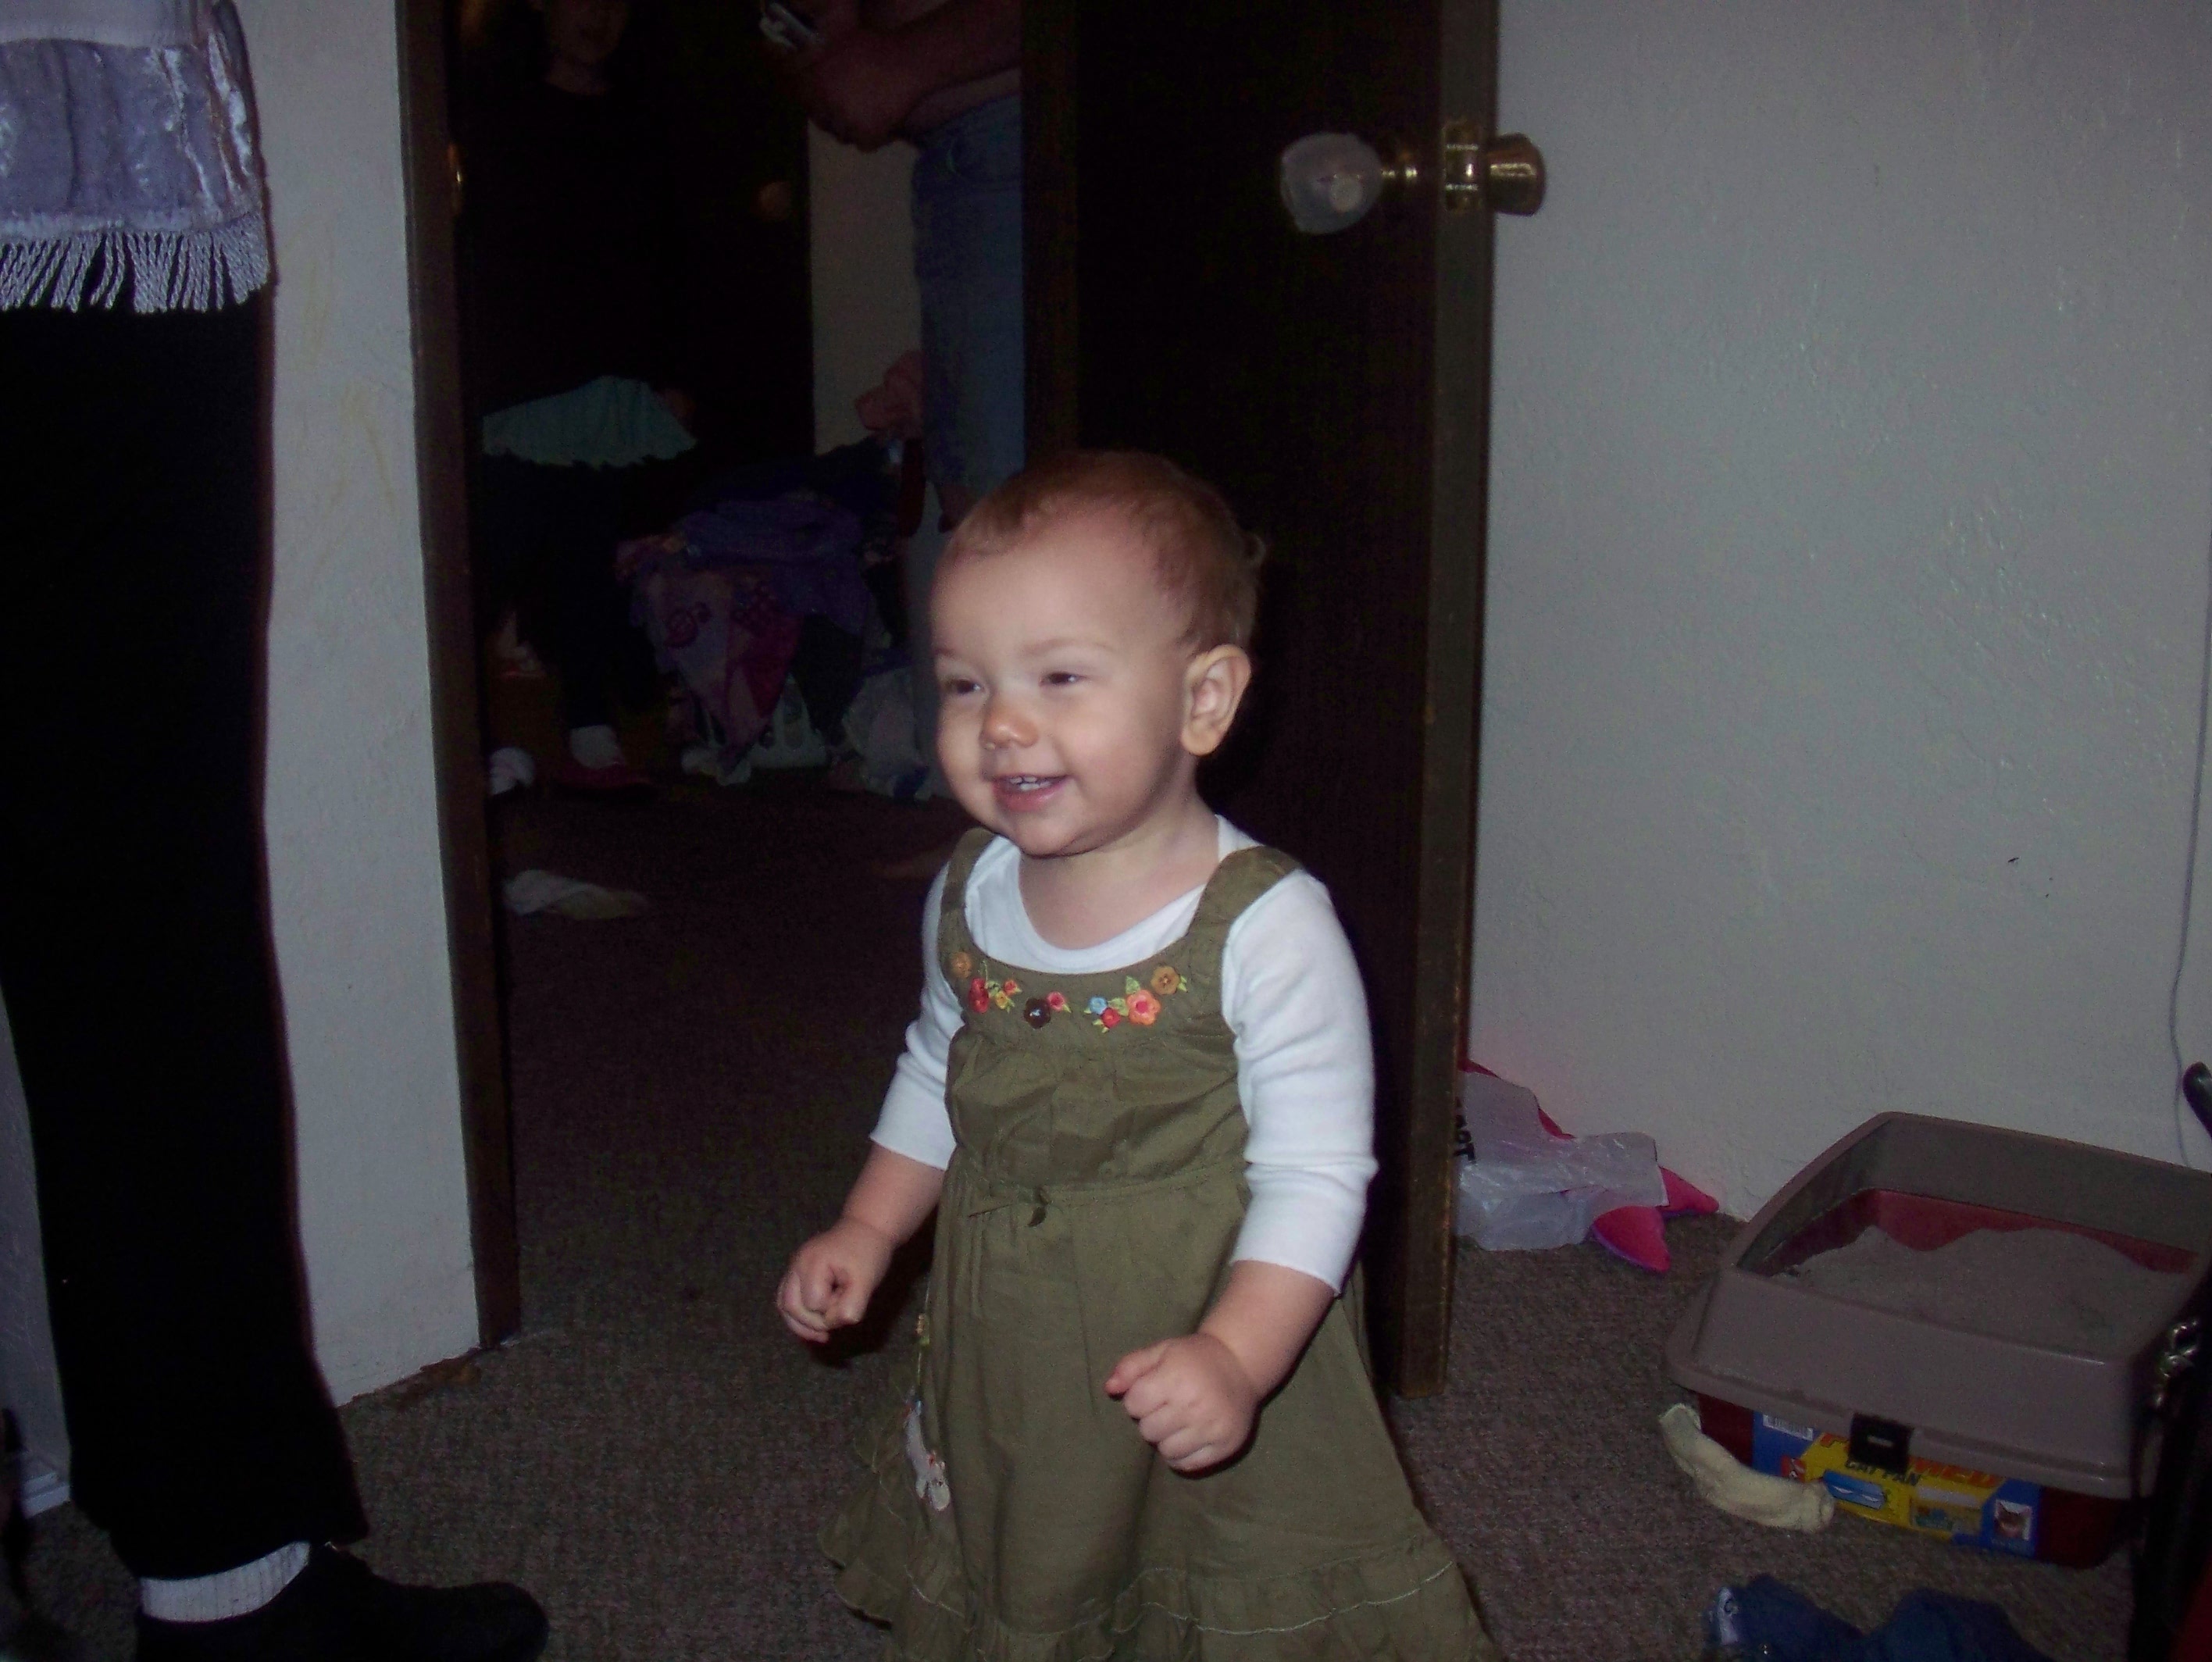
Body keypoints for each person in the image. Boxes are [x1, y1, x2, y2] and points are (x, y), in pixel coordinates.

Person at [0, 5, 546, 1657]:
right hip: (85, 156)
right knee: (140, 887)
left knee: (143, 889)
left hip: (111, 154)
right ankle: (217, 1569)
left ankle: (227, 1570)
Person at [776, 452, 1497, 1657]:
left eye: (1060, 676)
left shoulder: (1266, 927)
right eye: (964, 684)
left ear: (1204, 701)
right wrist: (869, 1224)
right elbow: (940, 1065)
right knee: (1039, 1517)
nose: (1003, 724)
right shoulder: (970, 889)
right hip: (1013, 1317)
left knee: (1206, 1550)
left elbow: (1318, 1173)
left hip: (1202, 1303)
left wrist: (1237, 1357)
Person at [461, 0, 697, 794]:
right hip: (520, 376)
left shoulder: (640, 119)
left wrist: (669, 372)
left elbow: (664, 255)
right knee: (497, 553)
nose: (599, 15)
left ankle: (590, 720)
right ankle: (465, 731)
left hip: (609, 377)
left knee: (590, 555)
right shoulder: (495, 113)